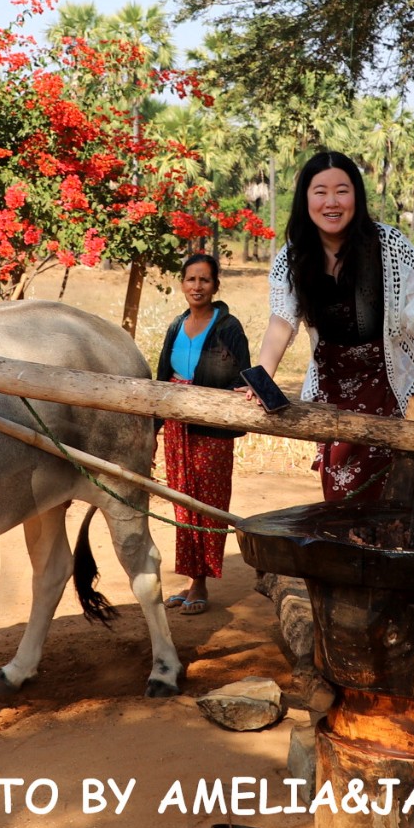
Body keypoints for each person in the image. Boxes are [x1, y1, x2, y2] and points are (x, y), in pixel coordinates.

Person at [249, 150, 414, 503]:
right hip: (332, 401)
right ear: (306, 198)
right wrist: (261, 377)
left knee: (399, 506)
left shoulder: (389, 245)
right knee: (342, 506)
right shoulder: (293, 256)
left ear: (357, 196)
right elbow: (282, 321)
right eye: (320, 191)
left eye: (342, 190)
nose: (331, 202)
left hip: (394, 395)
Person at [154, 252, 249, 615]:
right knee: (182, 504)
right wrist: (153, 430)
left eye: (204, 280)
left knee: (208, 505)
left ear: (215, 286)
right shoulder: (176, 326)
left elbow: (244, 373)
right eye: (191, 279)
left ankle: (201, 583)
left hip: (212, 428)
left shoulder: (228, 327)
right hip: (178, 428)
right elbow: (163, 378)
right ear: (182, 284)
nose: (197, 286)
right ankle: (190, 576)